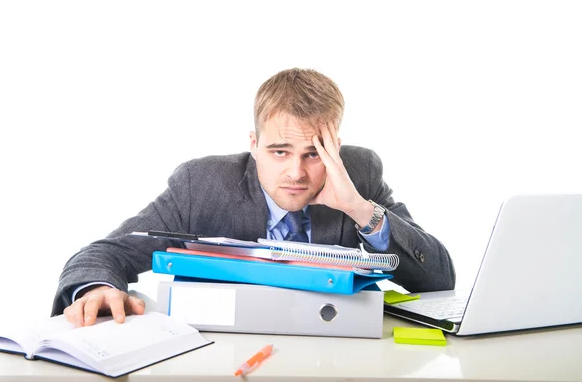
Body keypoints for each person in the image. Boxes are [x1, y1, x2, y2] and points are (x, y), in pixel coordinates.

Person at [54, 68, 456, 327]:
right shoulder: (203, 183)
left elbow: (439, 278)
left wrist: (360, 209)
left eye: (314, 153)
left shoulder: (360, 173)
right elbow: (105, 253)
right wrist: (94, 289)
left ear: (336, 146)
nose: (296, 173)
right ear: (254, 144)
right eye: (279, 151)